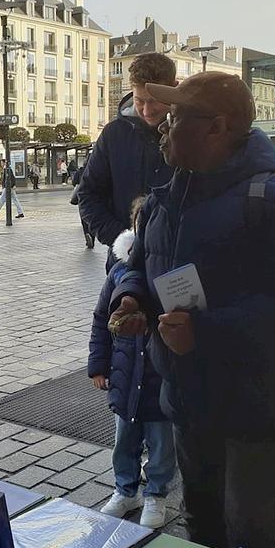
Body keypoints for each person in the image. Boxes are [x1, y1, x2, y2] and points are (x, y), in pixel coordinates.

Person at [109, 72, 275, 548]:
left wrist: (204, 332)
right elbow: (139, 268)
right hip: (189, 397)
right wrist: (130, 300)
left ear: (216, 127)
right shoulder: (163, 200)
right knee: (201, 524)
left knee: (248, 534)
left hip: (259, 406)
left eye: (175, 117)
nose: (162, 127)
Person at [89, 197, 175, 528]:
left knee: (161, 442)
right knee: (124, 439)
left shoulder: (167, 273)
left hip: (159, 375)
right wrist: (98, 365)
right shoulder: (119, 272)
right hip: (126, 374)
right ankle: (125, 490)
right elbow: (101, 319)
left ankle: (156, 493)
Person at [77, 53, 176, 272]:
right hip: (125, 261)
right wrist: (122, 239)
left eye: (155, 100)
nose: (147, 110)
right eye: (140, 101)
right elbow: (88, 194)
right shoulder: (114, 134)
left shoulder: (190, 133)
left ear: (174, 89)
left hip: (178, 263)